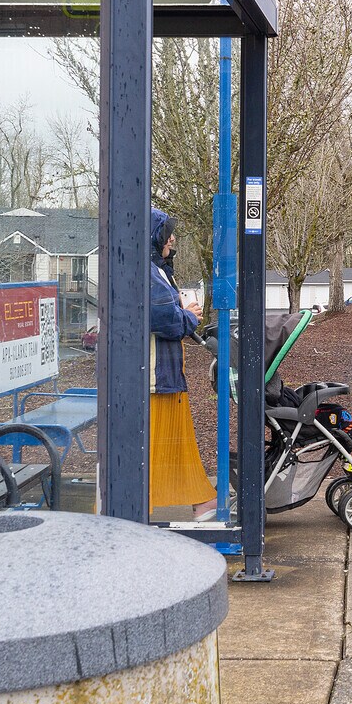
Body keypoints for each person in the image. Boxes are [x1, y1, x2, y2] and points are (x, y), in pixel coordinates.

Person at [148, 208, 216, 516]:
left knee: (173, 441)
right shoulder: (148, 273)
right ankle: (199, 499)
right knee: (163, 442)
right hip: (154, 376)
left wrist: (183, 312)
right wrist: (188, 314)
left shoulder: (157, 270)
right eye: (166, 233)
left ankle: (199, 498)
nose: (172, 238)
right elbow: (167, 321)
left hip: (164, 373)